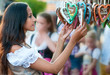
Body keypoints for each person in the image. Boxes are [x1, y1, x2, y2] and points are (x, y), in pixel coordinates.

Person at [0, 2, 87, 75]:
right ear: (19, 20)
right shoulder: (17, 50)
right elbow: (54, 69)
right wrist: (73, 41)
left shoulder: (18, 46)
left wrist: (61, 39)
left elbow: (51, 67)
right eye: (30, 16)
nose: (34, 19)